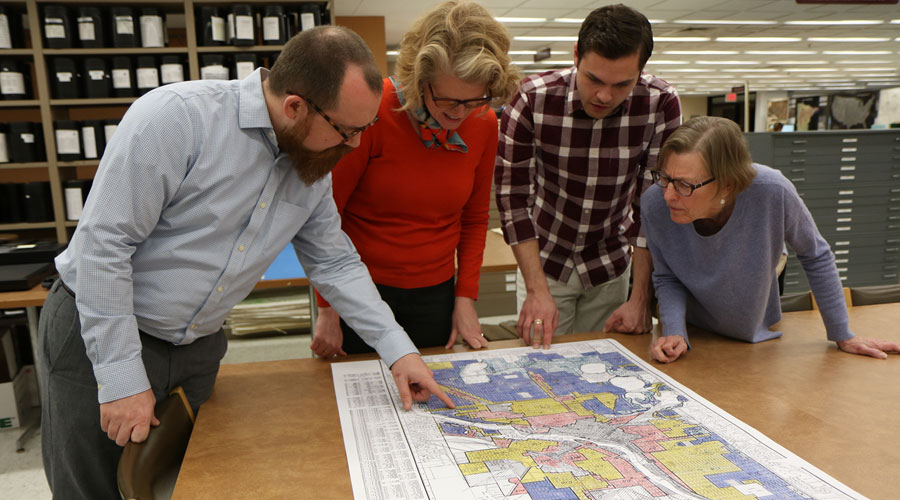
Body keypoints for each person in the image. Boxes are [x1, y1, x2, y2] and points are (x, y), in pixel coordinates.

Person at [37, 26, 454, 500]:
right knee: (94, 489)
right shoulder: (177, 119)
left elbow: (335, 263)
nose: (355, 146)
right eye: (347, 130)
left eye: (364, 130)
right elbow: (102, 250)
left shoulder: (311, 159)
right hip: (101, 333)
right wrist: (120, 377)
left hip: (196, 347)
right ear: (295, 107)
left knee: (184, 483)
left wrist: (399, 352)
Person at [310, 1, 521, 357]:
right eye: (448, 101)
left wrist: (466, 297)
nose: (460, 114)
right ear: (420, 79)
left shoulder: (483, 124)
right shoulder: (375, 113)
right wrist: (328, 308)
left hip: (435, 292)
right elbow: (326, 217)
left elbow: (474, 219)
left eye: (474, 101)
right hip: (359, 289)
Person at [495, 3, 682, 348]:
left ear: (641, 71)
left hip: (611, 264)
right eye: (594, 79)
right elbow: (512, 199)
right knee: (541, 367)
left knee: (603, 367)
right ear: (577, 55)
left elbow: (652, 206)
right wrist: (536, 290)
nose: (604, 95)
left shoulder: (661, 104)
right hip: (545, 263)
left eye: (622, 84)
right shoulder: (531, 100)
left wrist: (640, 297)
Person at [641, 116, 900, 363]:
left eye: (684, 185)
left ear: (727, 185)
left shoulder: (772, 191)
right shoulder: (654, 203)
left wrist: (842, 334)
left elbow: (815, 254)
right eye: (665, 178)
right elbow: (667, 276)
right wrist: (675, 332)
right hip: (696, 336)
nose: (669, 196)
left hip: (758, 336)